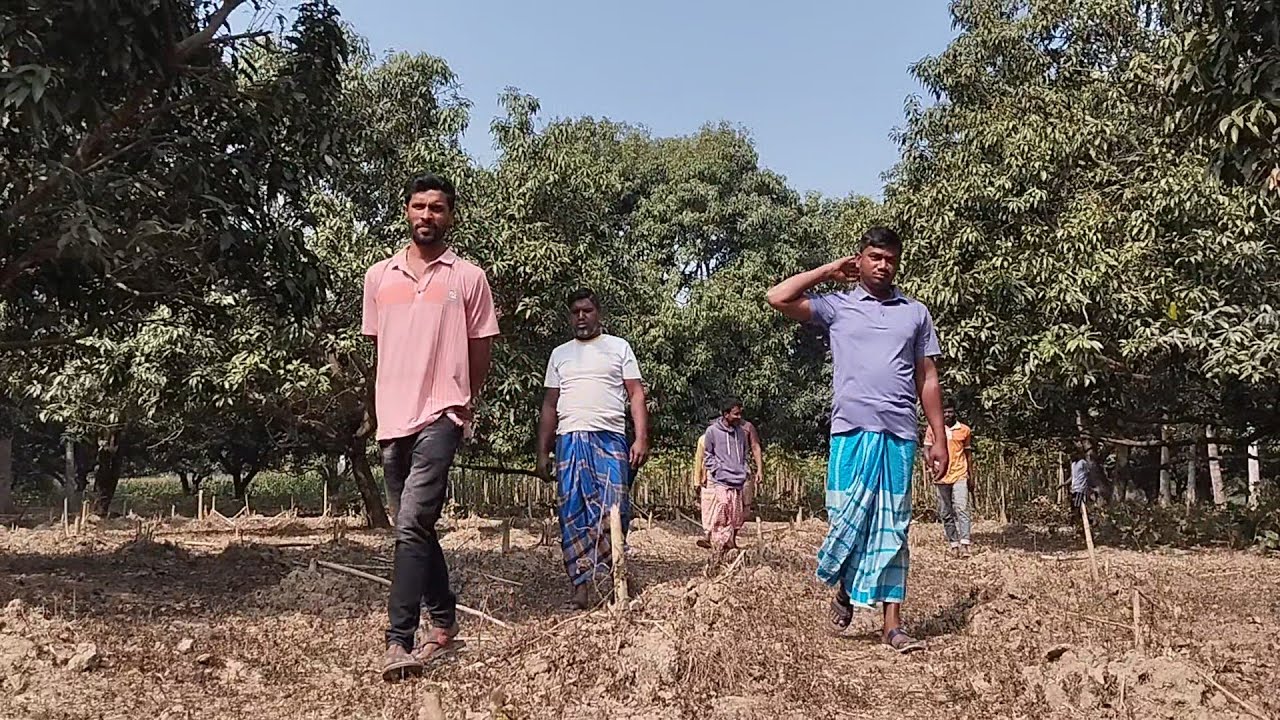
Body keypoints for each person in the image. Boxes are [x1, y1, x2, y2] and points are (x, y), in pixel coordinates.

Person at [766, 226, 948, 654]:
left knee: (892, 528)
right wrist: (829, 271)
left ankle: (892, 625)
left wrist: (937, 436)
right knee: (846, 519)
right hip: (849, 432)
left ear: (897, 263)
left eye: (890, 259)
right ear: (860, 259)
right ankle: (846, 590)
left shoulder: (915, 313)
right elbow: (778, 297)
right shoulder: (838, 307)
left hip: (899, 434)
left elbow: (928, 378)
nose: (882, 265)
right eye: (874, 257)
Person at [363, 174, 500, 681]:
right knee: (414, 527)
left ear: (451, 216)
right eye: (419, 206)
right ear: (406, 212)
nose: (428, 215)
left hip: (443, 413)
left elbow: (481, 345)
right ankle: (444, 620)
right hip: (392, 417)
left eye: (438, 208)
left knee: (411, 524)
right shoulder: (379, 277)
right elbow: (381, 344)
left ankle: (398, 640)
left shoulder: (469, 278)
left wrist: (463, 402)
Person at [537, 289, 650, 611]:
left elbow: (636, 395)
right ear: (569, 317)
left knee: (616, 508)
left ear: (598, 313)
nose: (581, 317)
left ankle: (617, 581)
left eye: (587, 310)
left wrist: (640, 439)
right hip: (569, 440)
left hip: (610, 438)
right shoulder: (560, 354)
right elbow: (549, 404)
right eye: (575, 312)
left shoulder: (619, 348)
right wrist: (542, 452)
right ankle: (580, 587)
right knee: (572, 511)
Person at [696, 399, 761, 560]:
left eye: (740, 413)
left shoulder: (742, 431)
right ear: (726, 414)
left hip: (737, 479)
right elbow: (706, 455)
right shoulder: (712, 432)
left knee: (736, 514)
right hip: (720, 479)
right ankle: (716, 542)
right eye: (735, 413)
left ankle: (729, 543)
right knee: (722, 507)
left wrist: (744, 469)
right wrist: (716, 470)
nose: (739, 417)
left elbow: (746, 450)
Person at [923, 401, 976, 558]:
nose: (947, 415)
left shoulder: (964, 430)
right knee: (946, 512)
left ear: (955, 413)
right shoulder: (933, 429)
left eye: (950, 412)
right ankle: (953, 544)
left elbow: (968, 454)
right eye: (944, 412)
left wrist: (971, 476)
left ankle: (965, 544)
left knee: (962, 508)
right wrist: (931, 464)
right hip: (941, 476)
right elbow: (926, 449)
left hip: (960, 474)